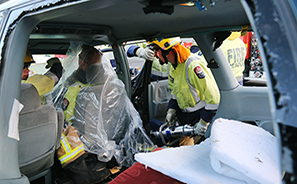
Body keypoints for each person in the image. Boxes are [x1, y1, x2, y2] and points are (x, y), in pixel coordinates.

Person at [147, 37, 220, 146]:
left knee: (200, 152)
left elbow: (214, 98)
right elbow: (175, 91)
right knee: (183, 152)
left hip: (200, 116)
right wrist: (171, 110)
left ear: (167, 50)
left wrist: (203, 122)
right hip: (184, 117)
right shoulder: (170, 66)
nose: (155, 55)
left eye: (156, 50)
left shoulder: (193, 65)